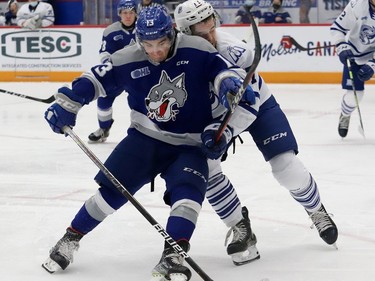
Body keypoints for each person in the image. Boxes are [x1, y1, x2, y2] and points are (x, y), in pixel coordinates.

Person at [41, 6, 255, 281]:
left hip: (191, 144)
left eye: (162, 43)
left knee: (188, 196)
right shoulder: (127, 57)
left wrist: (230, 85)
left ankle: (173, 256)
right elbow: (94, 79)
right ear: (139, 39)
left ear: (173, 33)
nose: (156, 51)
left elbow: (222, 72)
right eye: (149, 44)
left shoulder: (198, 49)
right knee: (112, 192)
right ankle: (70, 238)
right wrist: (68, 102)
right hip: (145, 138)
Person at [175, 0, 338, 266]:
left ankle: (316, 209)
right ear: (184, 31)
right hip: (215, 115)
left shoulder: (238, 54)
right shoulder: (179, 54)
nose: (209, 31)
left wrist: (225, 133)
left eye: (210, 22)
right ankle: (240, 227)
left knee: (285, 166)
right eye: (200, 27)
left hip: (257, 105)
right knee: (206, 167)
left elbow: (247, 107)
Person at [88, 0, 137, 143]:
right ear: (119, 14)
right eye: (125, 13)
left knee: (141, 102)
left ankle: (142, 132)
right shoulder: (110, 30)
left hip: (140, 72)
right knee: (104, 99)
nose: (128, 16)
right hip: (118, 72)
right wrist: (110, 67)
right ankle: (104, 129)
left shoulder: (142, 28)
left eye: (131, 13)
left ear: (135, 14)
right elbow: (104, 53)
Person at [330, 0, 375, 138]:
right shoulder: (357, 5)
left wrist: (373, 64)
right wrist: (341, 46)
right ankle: (345, 114)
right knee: (354, 97)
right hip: (355, 56)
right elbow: (337, 29)